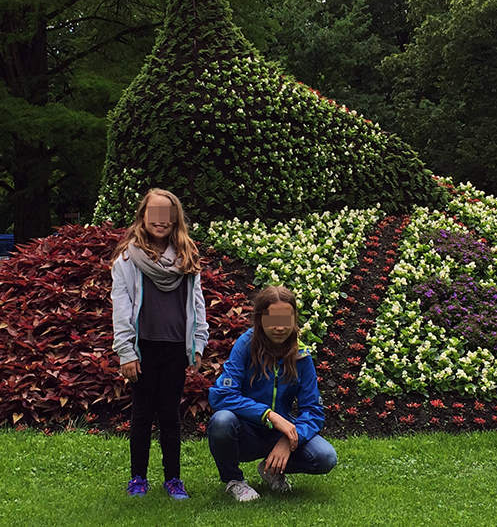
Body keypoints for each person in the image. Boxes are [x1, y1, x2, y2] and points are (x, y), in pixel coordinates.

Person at [111, 188, 209, 499]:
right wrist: (126, 351)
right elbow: (122, 307)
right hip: (143, 349)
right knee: (142, 413)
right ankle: (138, 477)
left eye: (166, 215)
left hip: (174, 348)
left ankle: (173, 479)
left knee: (170, 414)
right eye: (153, 213)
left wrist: (198, 344)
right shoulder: (128, 260)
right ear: (143, 217)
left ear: (175, 219)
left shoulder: (186, 259)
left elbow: (197, 304)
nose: (160, 221)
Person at [207, 285, 337, 502]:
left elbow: (313, 411)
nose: (279, 327)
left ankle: (271, 469)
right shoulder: (245, 345)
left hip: (280, 433)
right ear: (260, 320)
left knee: (326, 457)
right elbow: (220, 395)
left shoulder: (302, 355)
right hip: (245, 432)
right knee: (221, 421)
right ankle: (234, 481)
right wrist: (269, 415)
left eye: (285, 319)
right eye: (272, 319)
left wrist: (289, 440)